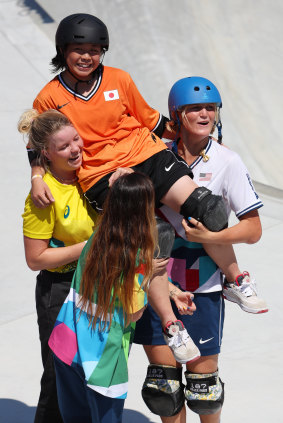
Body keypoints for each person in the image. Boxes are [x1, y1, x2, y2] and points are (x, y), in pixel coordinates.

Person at [27, 13, 230, 365]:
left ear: (103, 51)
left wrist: (193, 136)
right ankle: (170, 324)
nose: (87, 57)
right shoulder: (48, 96)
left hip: (145, 153)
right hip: (102, 174)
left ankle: (236, 279)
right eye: (78, 50)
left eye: (94, 50)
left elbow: (151, 120)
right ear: (63, 51)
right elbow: (38, 143)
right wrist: (36, 177)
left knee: (209, 209)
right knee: (156, 234)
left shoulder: (119, 79)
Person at [134, 76, 268, 423]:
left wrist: (210, 237)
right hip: (157, 282)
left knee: (203, 389)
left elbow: (252, 229)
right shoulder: (153, 156)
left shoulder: (227, 161)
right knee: (164, 389)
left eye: (210, 107)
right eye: (194, 108)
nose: (204, 114)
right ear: (176, 115)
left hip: (203, 284)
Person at [48, 172, 173, 423]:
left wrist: (173, 291)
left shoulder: (96, 237)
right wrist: (148, 276)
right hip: (102, 358)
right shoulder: (137, 258)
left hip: (65, 344)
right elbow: (134, 312)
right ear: (146, 208)